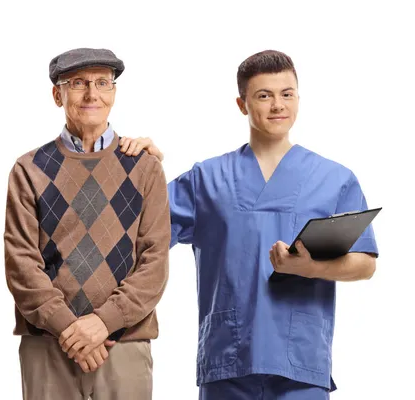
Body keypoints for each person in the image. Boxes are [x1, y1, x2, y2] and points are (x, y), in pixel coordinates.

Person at [119, 50, 379, 399]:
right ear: (242, 104)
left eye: (286, 94)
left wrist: (311, 267)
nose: (277, 105)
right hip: (228, 358)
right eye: (264, 95)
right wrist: (142, 171)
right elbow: (132, 233)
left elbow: (365, 264)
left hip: (300, 362)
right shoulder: (206, 179)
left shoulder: (335, 179)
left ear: (298, 98)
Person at [4, 47, 171, 400]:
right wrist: (70, 329)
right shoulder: (28, 169)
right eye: (77, 83)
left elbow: (154, 263)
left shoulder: (145, 167)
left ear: (114, 92)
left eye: (102, 82)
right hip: (49, 346)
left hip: (123, 344)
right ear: (57, 94)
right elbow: (21, 264)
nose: (92, 93)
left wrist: (103, 322)